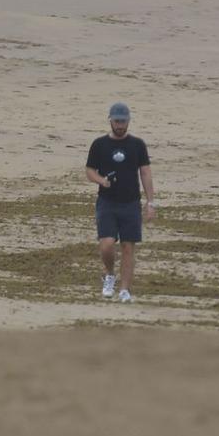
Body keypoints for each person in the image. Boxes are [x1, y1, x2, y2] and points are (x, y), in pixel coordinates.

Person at [84, 101, 155, 303]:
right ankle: (109, 275)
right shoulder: (99, 144)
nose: (120, 125)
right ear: (110, 120)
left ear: (128, 121)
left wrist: (150, 203)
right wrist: (101, 181)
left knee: (127, 247)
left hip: (131, 203)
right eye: (117, 121)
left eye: (123, 121)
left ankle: (124, 290)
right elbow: (89, 171)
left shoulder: (137, 144)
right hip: (107, 202)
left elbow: (145, 172)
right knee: (106, 244)